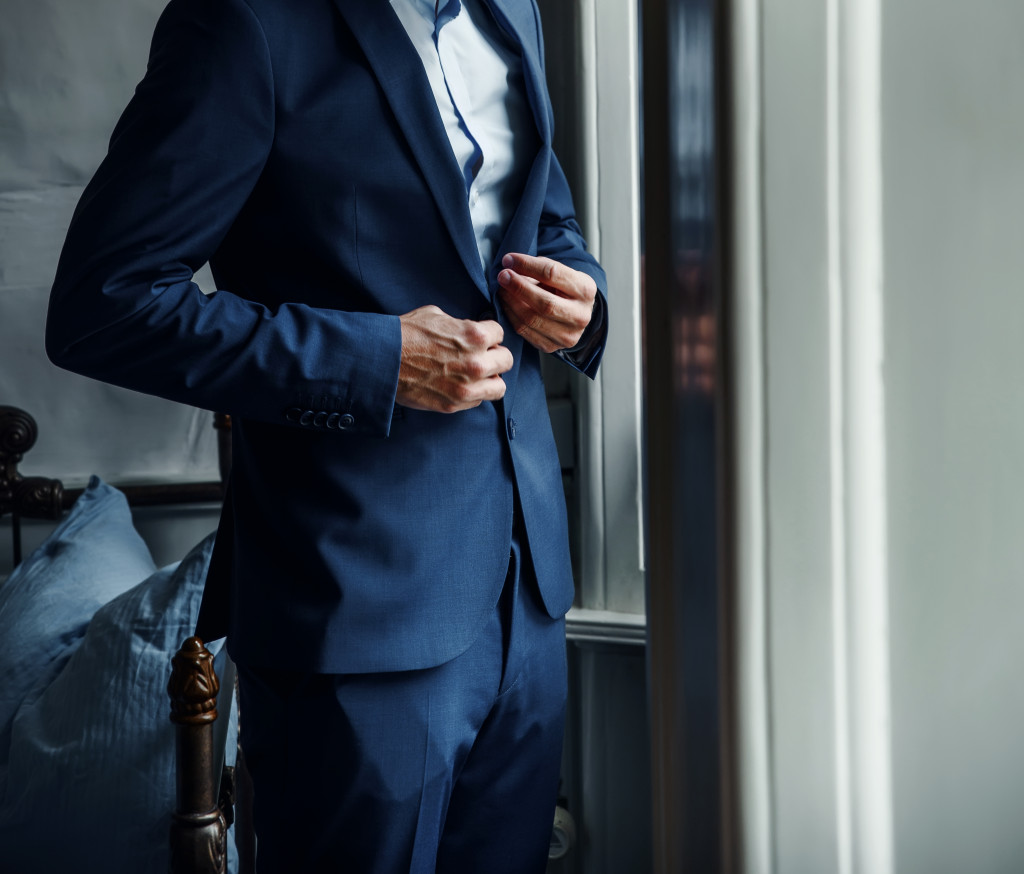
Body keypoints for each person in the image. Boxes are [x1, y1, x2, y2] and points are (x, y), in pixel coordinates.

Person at [46, 0, 607, 870]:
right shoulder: (243, 22)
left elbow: (540, 211)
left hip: (526, 592)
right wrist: (377, 362)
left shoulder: (516, 10)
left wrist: (580, 294)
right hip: (352, 604)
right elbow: (104, 304)